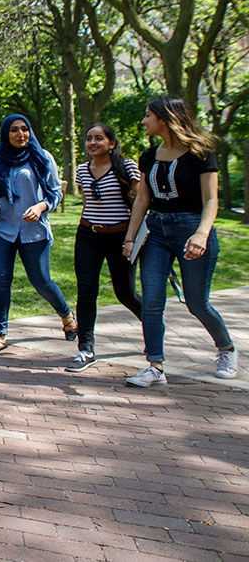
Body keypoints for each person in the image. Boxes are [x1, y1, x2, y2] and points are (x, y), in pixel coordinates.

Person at [122, 96, 238, 386]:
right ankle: (155, 366)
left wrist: (201, 233)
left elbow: (211, 200)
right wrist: (130, 237)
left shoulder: (201, 153)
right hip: (156, 231)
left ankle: (226, 349)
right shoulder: (149, 156)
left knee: (197, 302)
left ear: (165, 118)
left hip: (192, 228)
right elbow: (143, 200)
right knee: (151, 300)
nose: (144, 121)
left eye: (148, 115)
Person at [0, 115, 77, 355]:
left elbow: (55, 193)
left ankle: (66, 314)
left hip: (34, 231)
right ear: (6, 133)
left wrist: (40, 207)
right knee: (0, 280)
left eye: (25, 129)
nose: (21, 135)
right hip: (0, 229)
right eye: (15, 130)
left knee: (41, 280)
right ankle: (0, 334)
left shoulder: (42, 157)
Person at [67, 124, 144, 372]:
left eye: (99, 138)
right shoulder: (82, 170)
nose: (92, 143)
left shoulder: (127, 166)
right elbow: (88, 203)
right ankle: (85, 349)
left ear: (111, 143)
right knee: (86, 290)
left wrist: (132, 239)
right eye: (89, 138)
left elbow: (139, 204)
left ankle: (152, 327)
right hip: (88, 235)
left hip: (120, 237)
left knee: (125, 293)